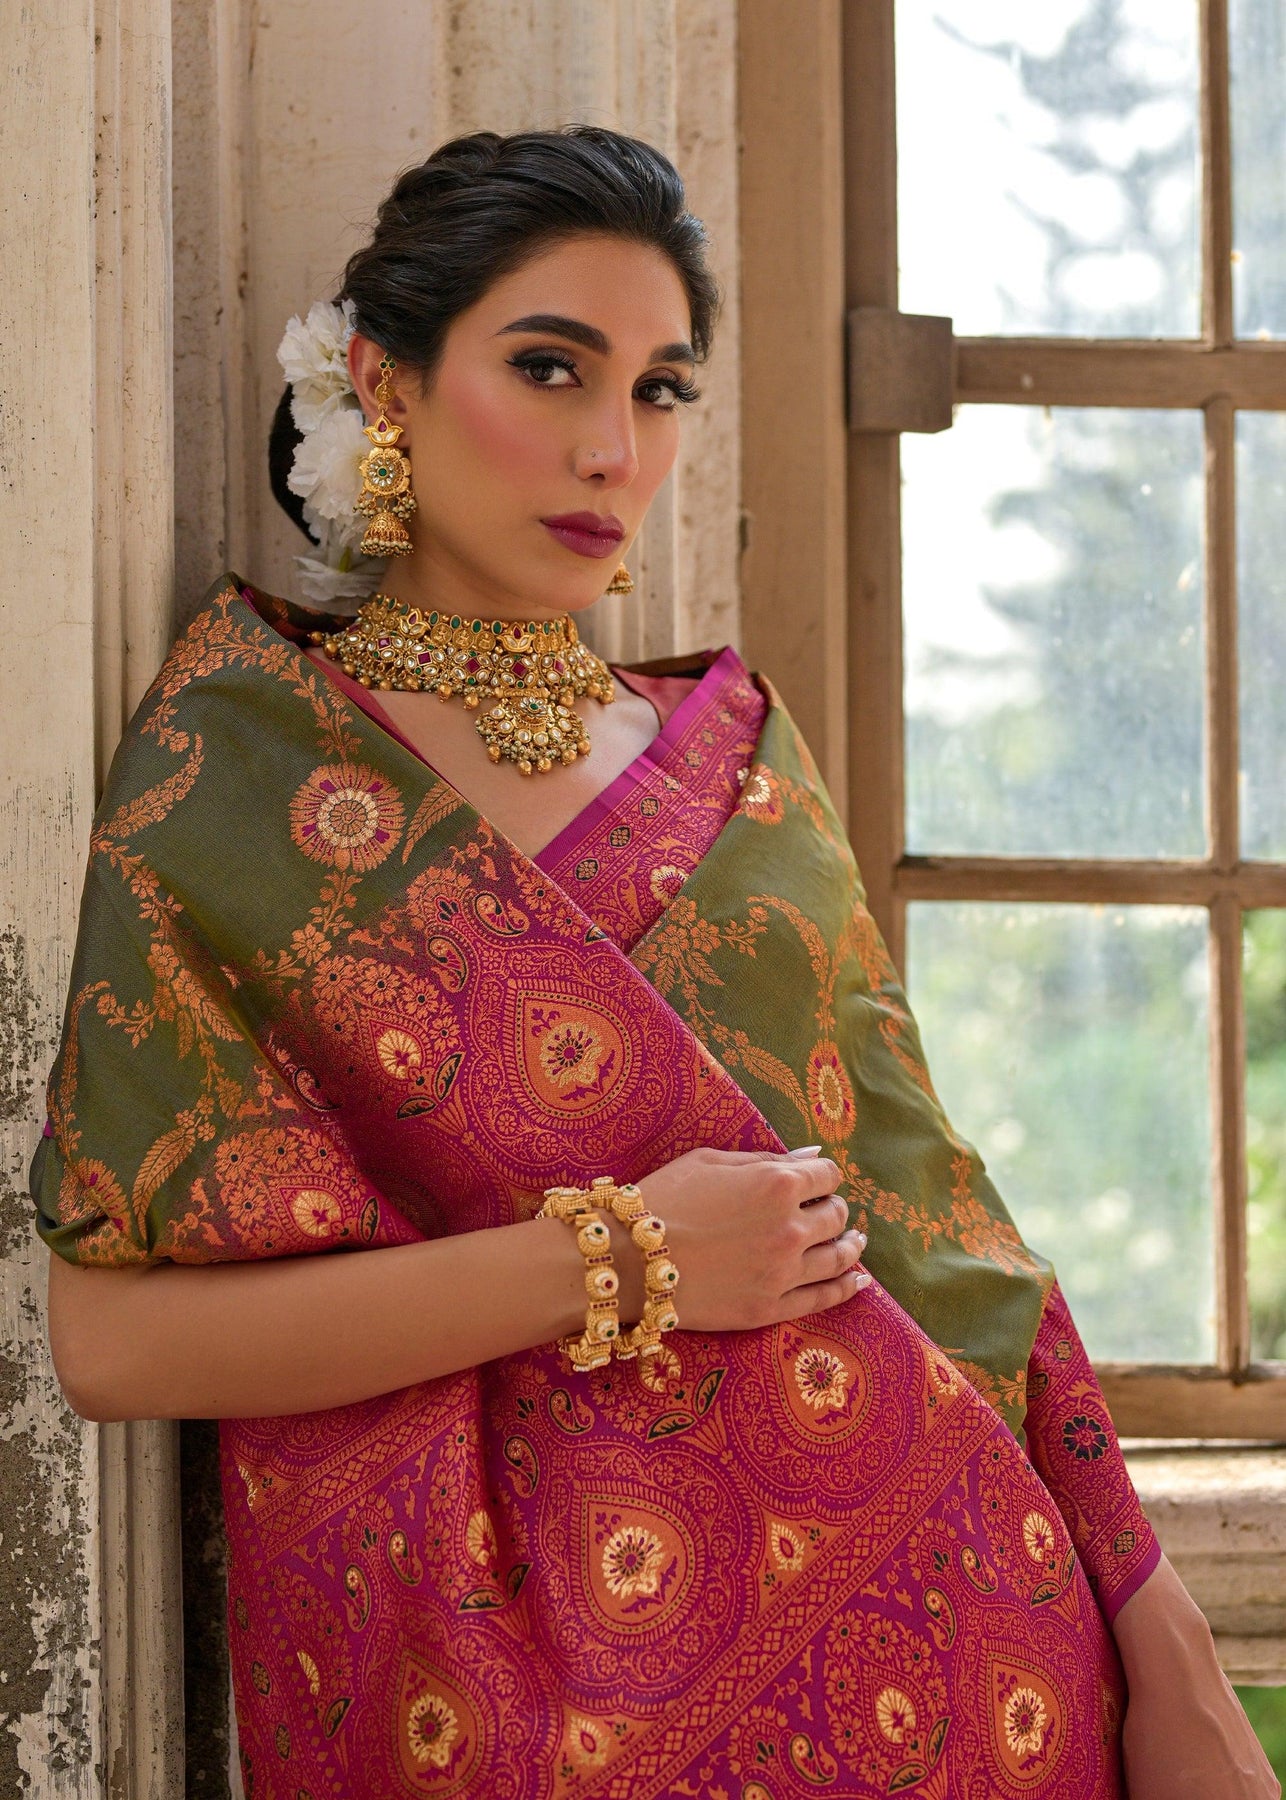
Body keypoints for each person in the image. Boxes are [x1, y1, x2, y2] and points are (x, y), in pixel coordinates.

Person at [33, 126, 1275, 1800]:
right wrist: (618, 1257)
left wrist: (1162, 1644)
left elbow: (935, 1227)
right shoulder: (241, 773)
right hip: (492, 1710)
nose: (612, 448)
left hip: (963, 1659)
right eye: (549, 368)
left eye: (661, 389)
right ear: (384, 384)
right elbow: (115, 1344)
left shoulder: (733, 760)